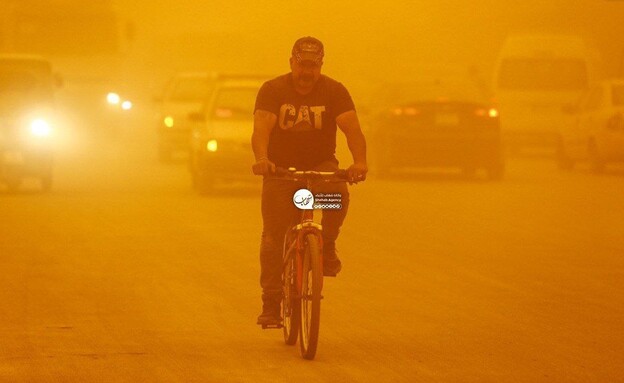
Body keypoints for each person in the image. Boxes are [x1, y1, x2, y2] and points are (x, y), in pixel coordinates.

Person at [251, 36, 368, 326]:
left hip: (320, 172)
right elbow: (261, 128)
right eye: (302, 65)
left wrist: (360, 162)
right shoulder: (273, 90)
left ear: (321, 66)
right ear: (291, 63)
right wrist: (263, 159)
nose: (307, 72)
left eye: (313, 66)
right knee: (272, 238)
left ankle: (326, 245)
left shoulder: (334, 91)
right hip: (280, 174)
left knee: (337, 196)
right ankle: (271, 302)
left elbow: (352, 130)